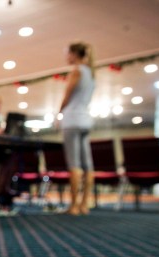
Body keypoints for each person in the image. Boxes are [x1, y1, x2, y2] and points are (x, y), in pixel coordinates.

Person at [59, 41, 96, 216]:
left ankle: (73, 205)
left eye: (68, 53)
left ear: (74, 54)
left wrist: (59, 112)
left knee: (74, 164)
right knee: (87, 164)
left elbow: (67, 95)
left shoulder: (76, 71)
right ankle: (84, 205)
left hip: (72, 120)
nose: (66, 57)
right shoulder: (91, 73)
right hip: (85, 120)